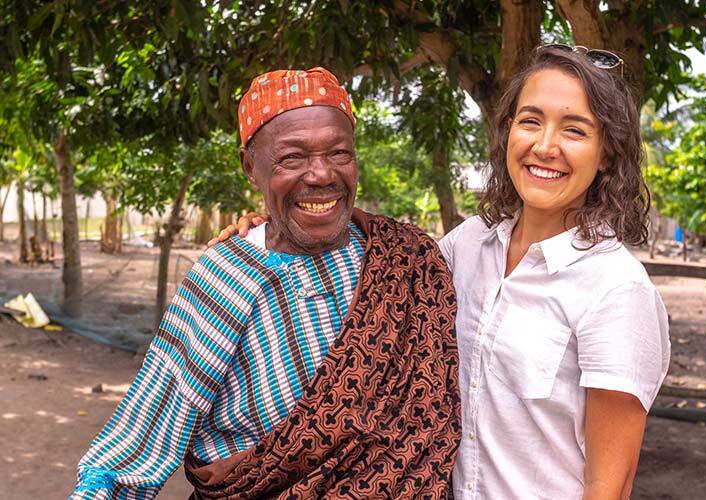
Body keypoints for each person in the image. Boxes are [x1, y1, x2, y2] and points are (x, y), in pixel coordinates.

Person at [216, 47, 670, 499]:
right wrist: (274, 225)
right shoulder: (469, 244)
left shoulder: (616, 291)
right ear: (508, 130)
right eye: (531, 121)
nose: (545, 146)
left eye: (575, 130)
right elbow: (382, 257)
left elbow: (609, 486)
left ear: (607, 153)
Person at [71, 67, 461, 499]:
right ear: (250, 169)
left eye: (339, 153)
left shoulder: (407, 258)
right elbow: (134, 450)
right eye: (292, 158)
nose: (320, 174)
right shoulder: (227, 276)